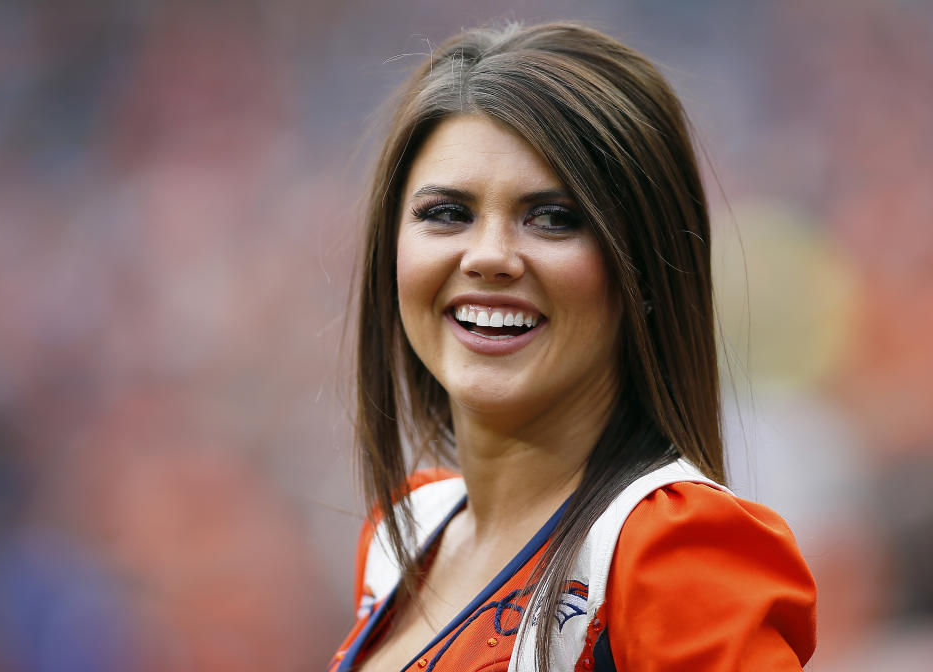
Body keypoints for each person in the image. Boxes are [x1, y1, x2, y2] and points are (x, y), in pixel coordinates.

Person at [329, 21, 816, 672]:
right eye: (446, 212)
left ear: (642, 267)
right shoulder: (402, 537)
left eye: (554, 218)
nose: (490, 256)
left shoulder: (675, 550)